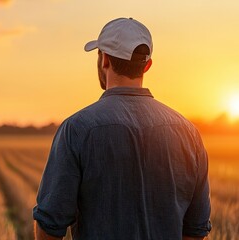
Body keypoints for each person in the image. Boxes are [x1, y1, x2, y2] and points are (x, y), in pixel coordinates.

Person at [33, 18, 211, 240]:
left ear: (104, 59)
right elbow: (196, 230)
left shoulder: (76, 129)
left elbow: (49, 227)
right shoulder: (188, 133)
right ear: (147, 65)